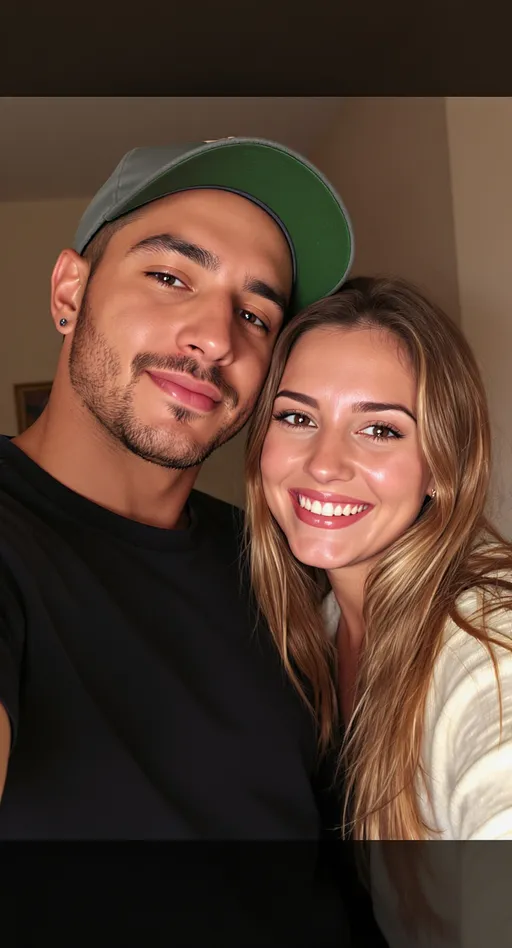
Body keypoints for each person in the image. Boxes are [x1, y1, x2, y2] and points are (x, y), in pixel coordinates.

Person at [0, 138, 357, 945]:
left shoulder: (286, 563)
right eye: (170, 277)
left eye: (256, 314)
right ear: (69, 291)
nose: (216, 338)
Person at [245, 275, 512, 944]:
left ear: (443, 464)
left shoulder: (488, 647)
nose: (325, 463)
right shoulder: (320, 624)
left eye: (379, 429)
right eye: (297, 417)